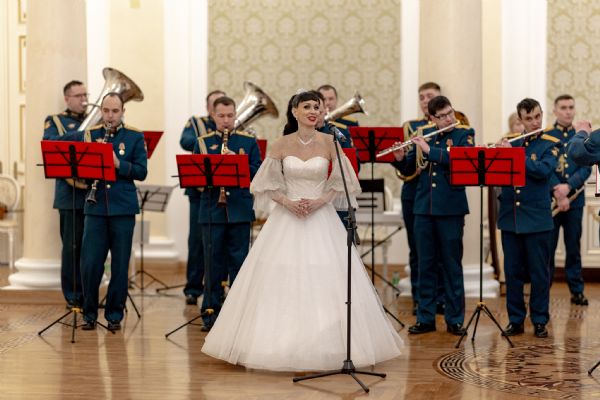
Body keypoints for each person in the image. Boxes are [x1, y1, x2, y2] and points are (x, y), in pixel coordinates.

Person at [201, 90, 402, 371]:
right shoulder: (281, 144)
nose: (313, 111)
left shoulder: (331, 142)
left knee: (324, 273)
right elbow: (263, 184)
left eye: (316, 107)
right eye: (307, 106)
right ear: (294, 111)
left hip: (322, 216)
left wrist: (320, 201)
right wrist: (288, 203)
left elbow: (343, 182)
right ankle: (277, 344)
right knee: (281, 274)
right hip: (287, 216)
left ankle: (329, 344)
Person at [59, 92, 148, 331]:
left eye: (115, 111)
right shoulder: (91, 135)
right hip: (95, 207)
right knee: (90, 264)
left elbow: (141, 171)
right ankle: (89, 313)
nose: (110, 116)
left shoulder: (135, 136)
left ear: (123, 112)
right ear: (101, 112)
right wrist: (88, 164)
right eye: (106, 111)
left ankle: (114, 315)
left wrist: (119, 164)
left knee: (119, 265)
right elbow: (79, 170)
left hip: (122, 209)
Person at [392, 95, 474, 335]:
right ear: (432, 118)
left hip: (450, 209)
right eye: (442, 116)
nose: (449, 118)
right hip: (423, 209)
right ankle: (425, 318)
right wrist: (400, 159)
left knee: (451, 265)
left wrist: (430, 150)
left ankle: (454, 319)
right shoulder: (424, 133)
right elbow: (410, 168)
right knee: (425, 265)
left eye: (450, 113)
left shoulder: (464, 134)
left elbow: (462, 159)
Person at [193, 96, 262, 331]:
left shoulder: (248, 142)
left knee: (239, 264)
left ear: (235, 116)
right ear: (213, 116)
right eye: (221, 116)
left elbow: (258, 173)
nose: (226, 120)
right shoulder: (202, 143)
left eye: (230, 116)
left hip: (240, 211)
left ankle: (238, 315)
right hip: (212, 212)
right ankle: (210, 312)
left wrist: (238, 163)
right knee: (212, 264)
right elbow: (195, 179)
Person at [496, 98, 559, 338]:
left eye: (537, 117)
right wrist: (497, 155)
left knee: (539, 274)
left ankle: (540, 320)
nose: (535, 122)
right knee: (512, 273)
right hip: (511, 217)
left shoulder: (550, 144)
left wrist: (514, 156)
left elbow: (543, 171)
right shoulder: (512, 142)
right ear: (520, 120)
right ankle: (515, 320)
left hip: (537, 219)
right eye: (529, 118)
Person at [397, 82, 446, 316]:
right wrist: (399, 159)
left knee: (441, 250)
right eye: (422, 97)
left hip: (438, 195)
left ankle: (441, 298)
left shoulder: (449, 125)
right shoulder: (411, 127)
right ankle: (420, 298)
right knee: (417, 250)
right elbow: (407, 167)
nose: (425, 100)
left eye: (430, 96)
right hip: (413, 193)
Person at [42, 80, 89, 309]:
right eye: (79, 96)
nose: (84, 100)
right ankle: (73, 296)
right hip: (69, 195)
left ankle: (89, 294)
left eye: (85, 95)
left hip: (93, 194)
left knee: (92, 249)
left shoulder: (96, 120)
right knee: (72, 247)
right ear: (67, 99)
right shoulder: (55, 121)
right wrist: (80, 135)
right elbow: (49, 143)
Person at [179, 90, 225, 305]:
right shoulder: (196, 123)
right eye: (215, 105)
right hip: (199, 193)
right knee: (197, 241)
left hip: (223, 192)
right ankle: (193, 288)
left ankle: (218, 287)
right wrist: (211, 139)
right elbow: (185, 141)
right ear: (209, 108)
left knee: (221, 243)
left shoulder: (231, 127)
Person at [547, 95, 591, 306]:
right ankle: (543, 291)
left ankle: (577, 290)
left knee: (573, 248)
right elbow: (544, 166)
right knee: (547, 249)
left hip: (575, 201)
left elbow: (586, 166)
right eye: (563, 107)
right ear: (555, 110)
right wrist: (557, 190)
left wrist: (568, 187)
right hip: (551, 200)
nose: (567, 111)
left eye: (571, 107)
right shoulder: (547, 136)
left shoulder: (581, 136)